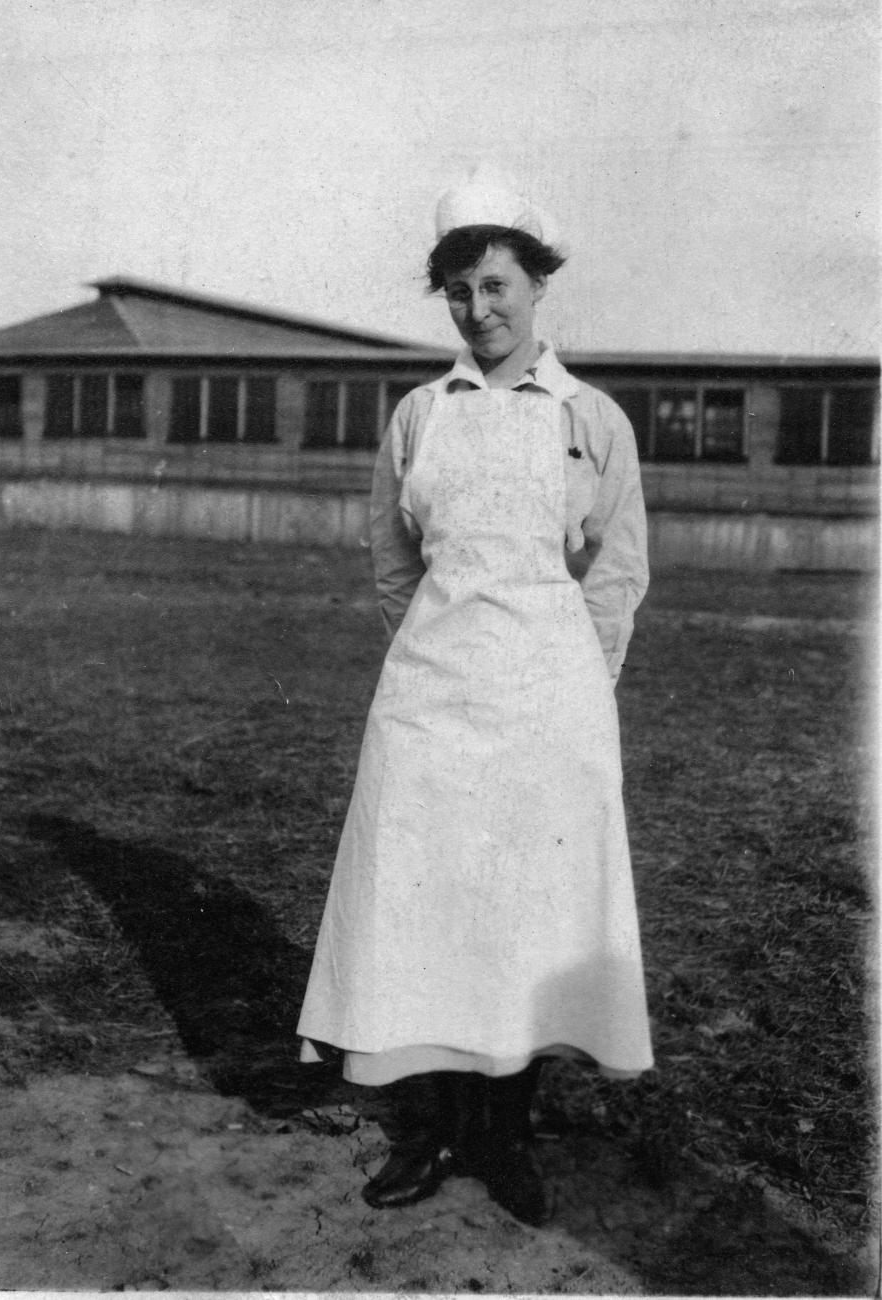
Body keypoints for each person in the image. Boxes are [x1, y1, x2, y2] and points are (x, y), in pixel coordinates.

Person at [297, 165, 653, 1227]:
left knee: (528, 914)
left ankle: (507, 1135)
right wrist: (445, 656)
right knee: (432, 907)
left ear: (537, 286)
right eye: (457, 290)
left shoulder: (592, 419)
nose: (478, 308)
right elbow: (393, 565)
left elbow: (618, 576)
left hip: (550, 704)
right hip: (431, 700)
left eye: (496, 284)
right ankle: (438, 1128)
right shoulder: (419, 415)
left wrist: (568, 688)